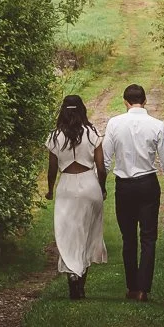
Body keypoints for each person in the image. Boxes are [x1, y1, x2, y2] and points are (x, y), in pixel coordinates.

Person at [101, 83, 164, 301]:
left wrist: (101, 184)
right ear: (145, 101)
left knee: (128, 238)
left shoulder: (114, 123)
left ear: (125, 102)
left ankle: (132, 286)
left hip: (124, 185)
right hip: (147, 184)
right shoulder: (157, 125)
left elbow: (106, 160)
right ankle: (143, 288)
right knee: (148, 237)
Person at [45, 94, 107, 299]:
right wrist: (102, 187)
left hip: (67, 186)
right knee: (88, 233)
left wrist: (50, 189)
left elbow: (52, 168)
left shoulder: (55, 136)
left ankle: (73, 273)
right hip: (89, 184)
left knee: (67, 233)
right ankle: (81, 282)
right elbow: (101, 167)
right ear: (82, 110)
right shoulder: (92, 134)